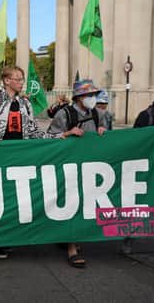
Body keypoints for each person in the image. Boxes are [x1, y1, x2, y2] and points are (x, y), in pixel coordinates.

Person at [0, 66, 51, 259]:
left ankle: (10, 237)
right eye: (17, 79)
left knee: (17, 198)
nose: (21, 82)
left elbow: (33, 131)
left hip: (21, 157)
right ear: (6, 81)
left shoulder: (26, 104)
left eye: (22, 79)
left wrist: (57, 136)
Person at [47, 79, 107, 268]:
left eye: (94, 95)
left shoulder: (98, 114)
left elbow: (105, 135)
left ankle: (67, 237)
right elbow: (48, 139)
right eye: (89, 95)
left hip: (89, 166)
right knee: (72, 203)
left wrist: (102, 131)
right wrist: (67, 134)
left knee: (84, 202)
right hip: (68, 166)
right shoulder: (64, 114)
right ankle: (71, 247)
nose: (93, 98)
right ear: (79, 97)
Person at [124, 78, 154, 267]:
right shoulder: (147, 115)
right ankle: (130, 235)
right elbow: (135, 140)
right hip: (150, 170)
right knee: (143, 204)